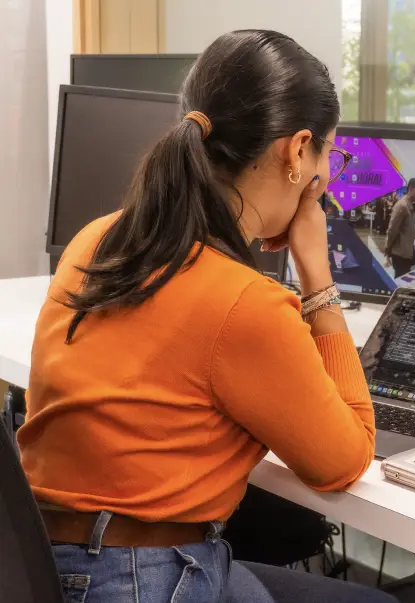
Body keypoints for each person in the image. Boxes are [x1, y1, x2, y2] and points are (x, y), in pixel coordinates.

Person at [18, 30, 394, 603]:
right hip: (144, 578)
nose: (326, 178)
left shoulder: (98, 239)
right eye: (329, 157)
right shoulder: (244, 302)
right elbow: (343, 461)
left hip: (49, 564)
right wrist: (317, 278)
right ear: (296, 154)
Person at [384, 178, 415, 277]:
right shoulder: (402, 206)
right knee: (401, 282)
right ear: (410, 188)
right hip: (400, 253)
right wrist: (387, 249)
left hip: (407, 251)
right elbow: (392, 230)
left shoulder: (411, 205)